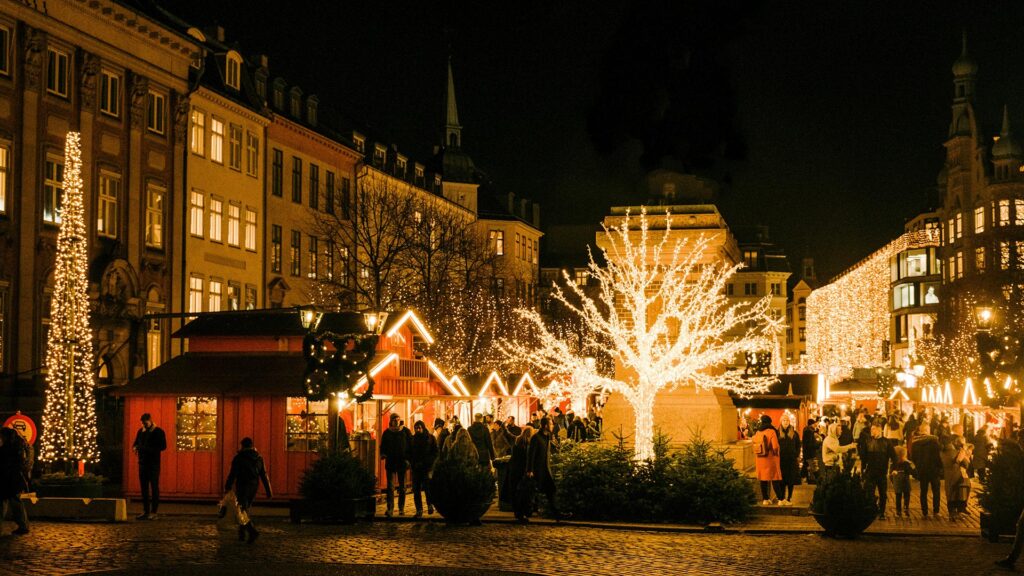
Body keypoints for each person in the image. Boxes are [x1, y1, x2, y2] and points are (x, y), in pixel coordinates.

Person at [224, 437, 272, 543]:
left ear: (242, 446)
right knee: (244, 509)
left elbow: (233, 473)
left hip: (242, 485)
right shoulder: (259, 458)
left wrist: (228, 486)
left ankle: (252, 531)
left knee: (241, 510)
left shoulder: (239, 457)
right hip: (253, 487)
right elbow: (263, 474)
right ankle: (241, 533)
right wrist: (269, 491)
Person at [132, 413, 167, 520]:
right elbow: (135, 443)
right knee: (144, 489)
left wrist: (146, 449)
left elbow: (163, 446)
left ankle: (153, 511)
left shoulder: (158, 432)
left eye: (145, 423)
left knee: (154, 487)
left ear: (150, 420)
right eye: (142, 423)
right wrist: (135, 447)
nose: (144, 425)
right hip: (142, 463)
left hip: (153, 463)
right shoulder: (140, 431)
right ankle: (146, 511)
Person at [526, 416, 560, 519]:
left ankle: (556, 513)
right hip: (537, 470)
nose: (552, 425)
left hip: (545, 470)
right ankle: (527, 512)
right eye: (551, 424)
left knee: (551, 490)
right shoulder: (536, 438)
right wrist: (530, 470)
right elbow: (531, 455)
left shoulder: (547, 437)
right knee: (533, 492)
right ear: (545, 426)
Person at [0, 427, 31, 535]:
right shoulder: (18, 447)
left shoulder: (8, 448)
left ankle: (23, 525)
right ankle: (23, 525)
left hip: (9, 479)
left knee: (11, 502)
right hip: (13, 478)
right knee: (14, 502)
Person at [863, 424, 895, 519]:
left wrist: (894, 468)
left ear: (879, 430)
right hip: (870, 471)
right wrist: (863, 469)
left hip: (881, 472)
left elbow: (893, 456)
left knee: (882, 493)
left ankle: (881, 512)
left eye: (873, 429)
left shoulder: (886, 442)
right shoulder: (868, 441)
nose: (871, 431)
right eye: (871, 429)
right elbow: (864, 457)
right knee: (869, 492)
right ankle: (871, 510)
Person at [380, 413, 410, 517]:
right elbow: (383, 446)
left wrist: (408, 459)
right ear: (391, 421)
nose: (396, 421)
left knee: (402, 487)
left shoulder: (405, 431)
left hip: (402, 462)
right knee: (390, 487)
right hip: (391, 462)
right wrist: (383, 454)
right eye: (394, 419)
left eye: (398, 419)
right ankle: (390, 508)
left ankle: (401, 508)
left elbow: (410, 446)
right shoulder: (387, 433)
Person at [910, 423, 942, 518]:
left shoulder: (915, 442)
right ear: (928, 430)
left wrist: (918, 467)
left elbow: (913, 457)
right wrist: (940, 467)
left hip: (922, 470)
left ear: (920, 431)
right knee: (936, 491)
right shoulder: (934, 441)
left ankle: (925, 512)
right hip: (934, 470)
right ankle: (936, 511)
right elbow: (938, 456)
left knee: (923, 491)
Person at [409, 420, 438, 518]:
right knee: (416, 490)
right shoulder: (413, 439)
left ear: (423, 427)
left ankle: (430, 505)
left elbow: (435, 452)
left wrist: (430, 464)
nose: (417, 430)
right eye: (416, 428)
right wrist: (412, 463)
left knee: (427, 488)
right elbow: (409, 453)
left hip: (426, 467)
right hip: (416, 468)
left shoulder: (430, 438)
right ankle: (419, 510)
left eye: (419, 428)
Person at [752, 415, 783, 505]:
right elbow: (775, 446)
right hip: (770, 459)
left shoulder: (758, 432)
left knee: (763, 479)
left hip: (760, 459)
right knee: (775, 478)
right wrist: (776, 453)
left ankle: (765, 499)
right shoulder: (771, 431)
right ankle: (780, 499)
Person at [940, 437, 970, 520]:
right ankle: (958, 512)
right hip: (957, 475)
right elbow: (965, 464)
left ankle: (952, 513)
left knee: (950, 494)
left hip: (948, 476)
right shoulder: (956, 452)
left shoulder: (941, 453)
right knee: (957, 493)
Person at [508, 427, 534, 523]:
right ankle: (521, 513)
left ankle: (517, 512)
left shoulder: (517, 443)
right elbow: (526, 459)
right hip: (522, 472)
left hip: (514, 471)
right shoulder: (527, 445)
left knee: (516, 492)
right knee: (523, 493)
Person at [777, 415, 801, 505]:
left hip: (791, 459)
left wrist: (796, 454)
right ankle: (782, 497)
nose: (786, 422)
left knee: (791, 479)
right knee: (782, 479)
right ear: (781, 421)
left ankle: (789, 498)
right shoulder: (778, 432)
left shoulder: (794, 433)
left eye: (787, 420)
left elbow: (798, 445)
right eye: (784, 420)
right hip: (781, 459)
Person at [889, 445, 915, 517]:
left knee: (898, 496)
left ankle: (898, 511)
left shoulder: (893, 464)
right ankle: (906, 507)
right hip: (905, 480)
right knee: (907, 494)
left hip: (897, 481)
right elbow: (912, 470)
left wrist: (892, 481)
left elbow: (890, 473)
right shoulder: (907, 463)